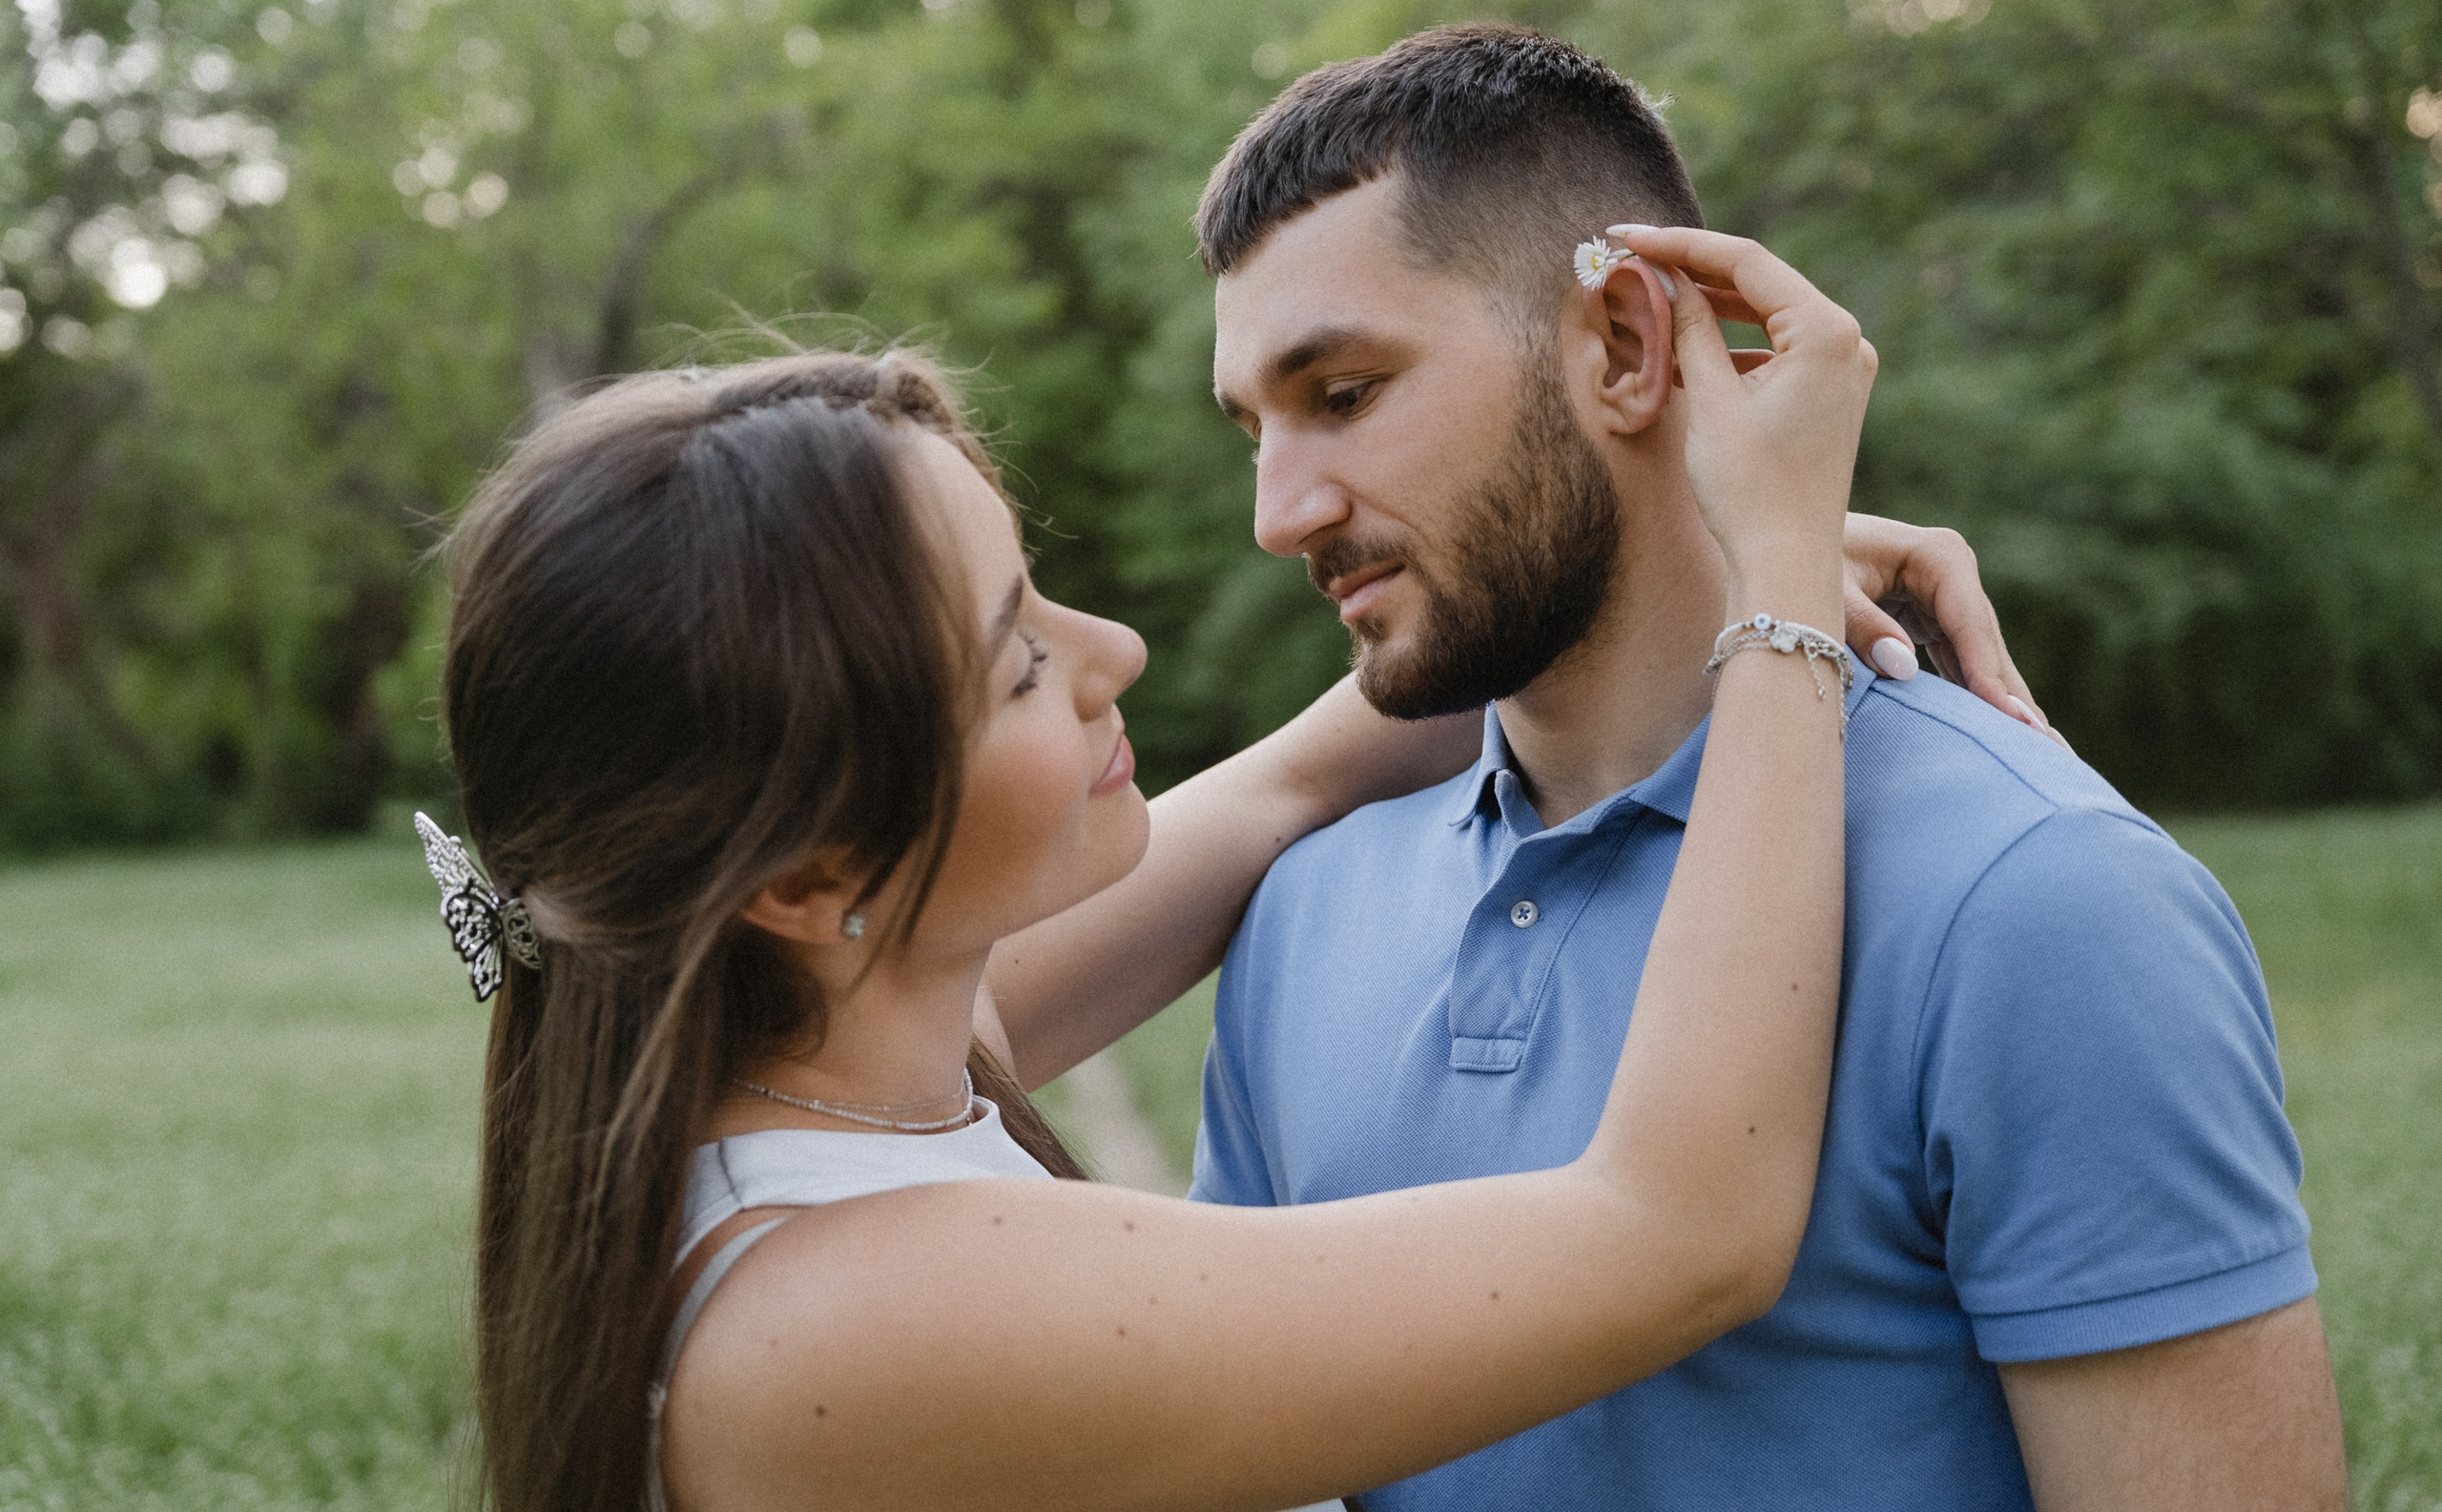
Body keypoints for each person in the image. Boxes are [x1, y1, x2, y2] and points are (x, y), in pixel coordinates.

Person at [424, 217, 1947, 1512]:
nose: (1115, 655)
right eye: (1015, 659)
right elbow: (1681, 1234)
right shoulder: (842, 1318)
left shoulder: (850, 1048)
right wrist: (1782, 583)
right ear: (812, 878)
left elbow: (1309, 769)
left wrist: (1666, 558)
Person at [1170, 24, 2348, 1511]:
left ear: (1623, 345)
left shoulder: (2044, 907)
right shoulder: (1298, 915)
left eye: (1340, 394)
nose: (1280, 511)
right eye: (1252, 429)